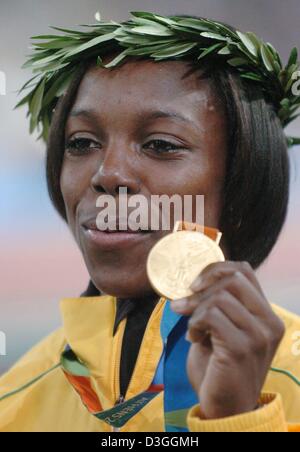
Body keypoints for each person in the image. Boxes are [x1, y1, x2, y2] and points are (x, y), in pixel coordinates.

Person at [0, 12, 300, 432]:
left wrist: (237, 418)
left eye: (160, 144)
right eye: (81, 142)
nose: (107, 174)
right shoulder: (14, 400)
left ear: (241, 177)